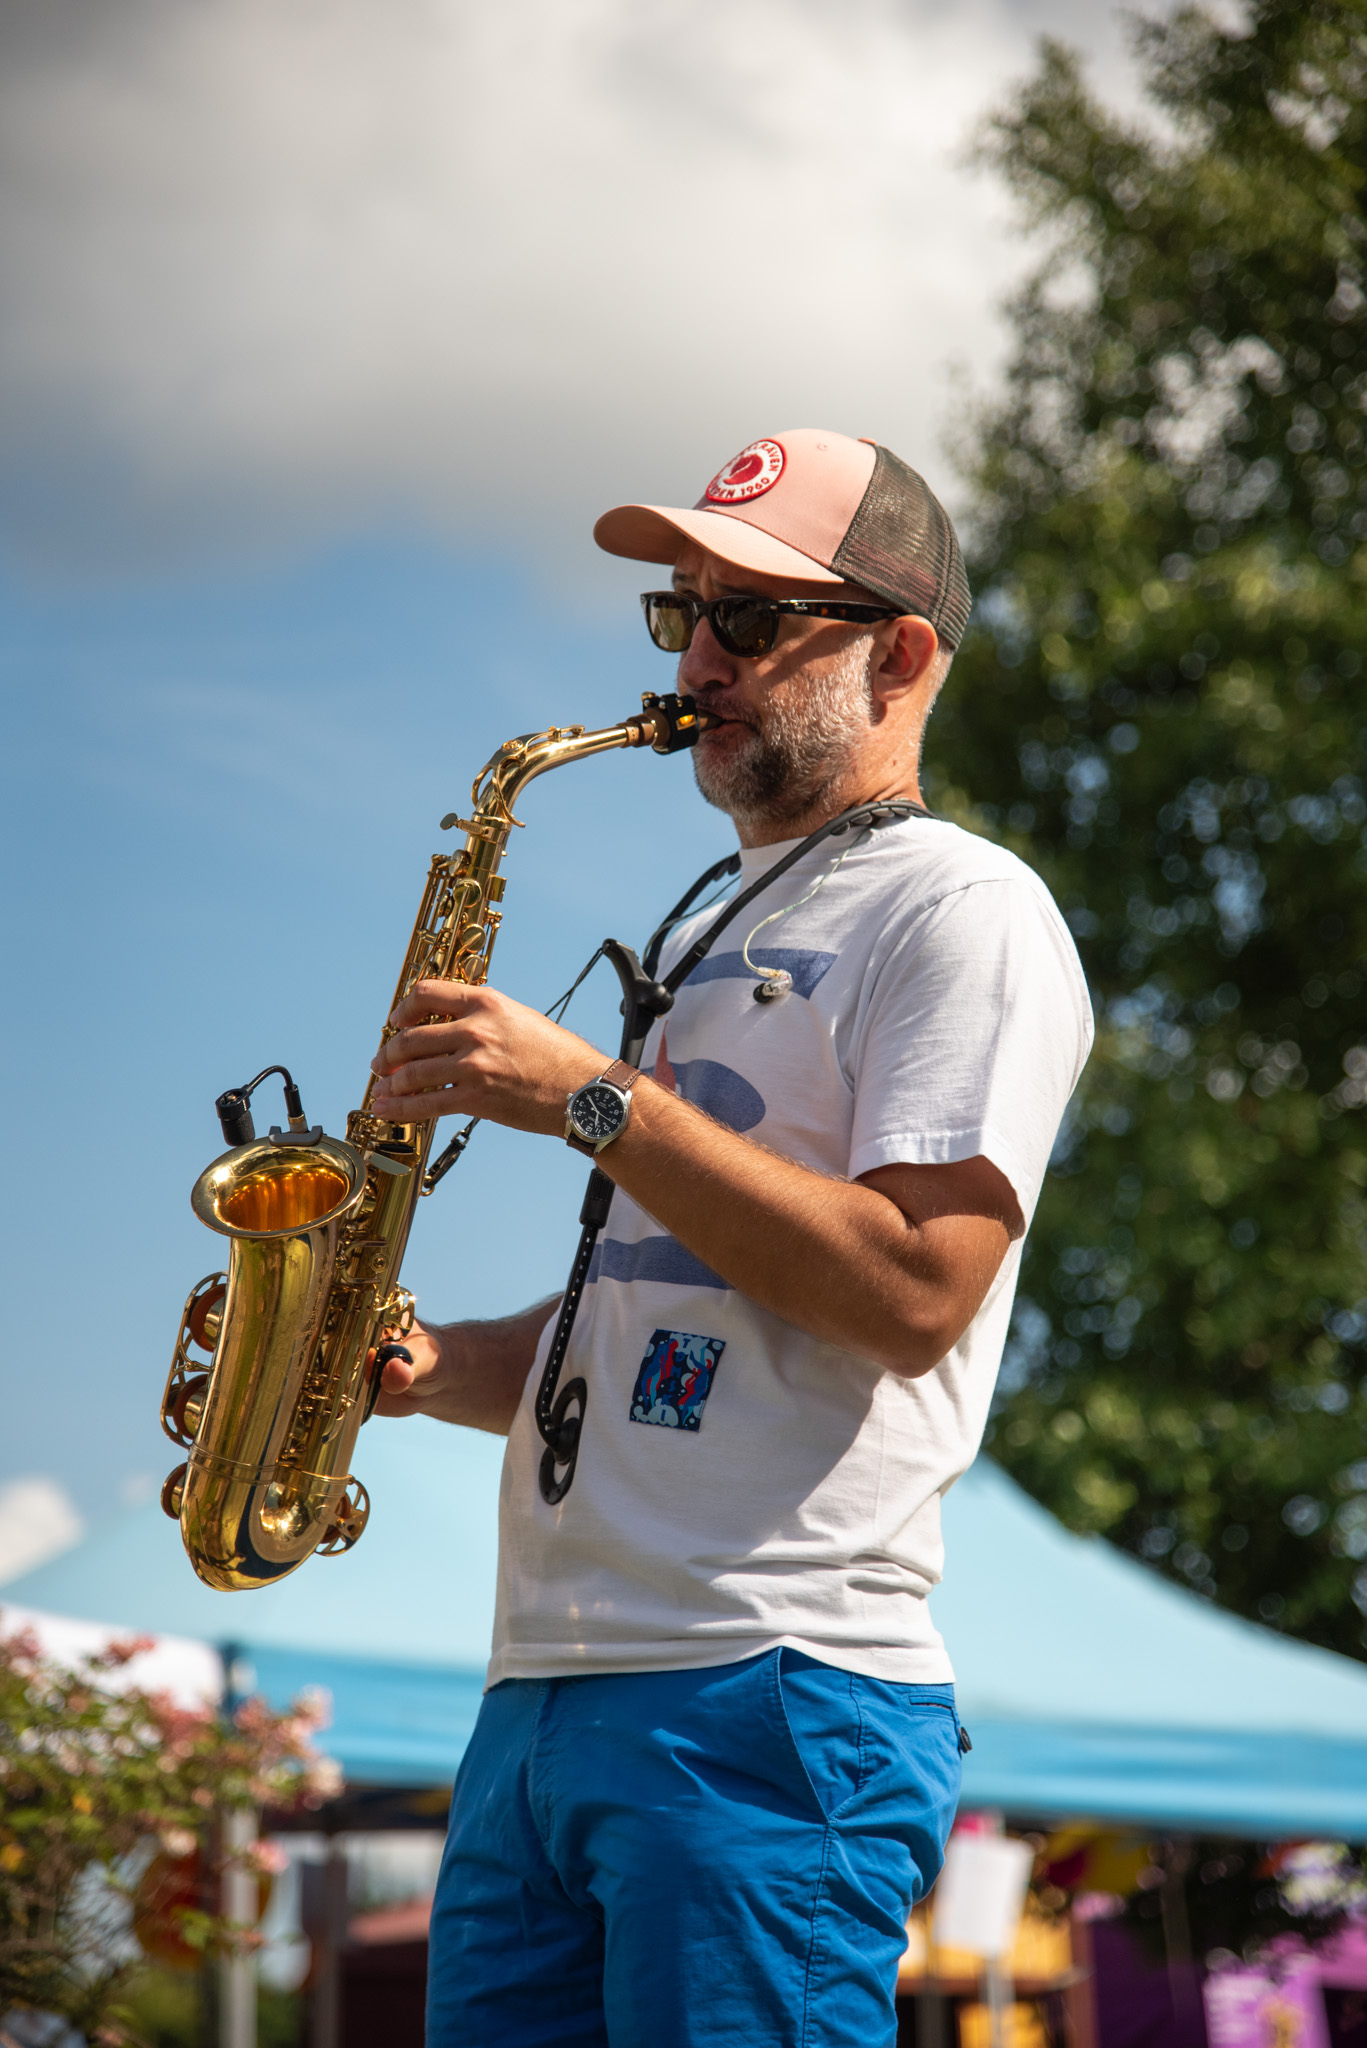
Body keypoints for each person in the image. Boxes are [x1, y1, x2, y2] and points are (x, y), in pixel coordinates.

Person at [369, 428, 1093, 2048]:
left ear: (900, 656)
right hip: (543, 1690)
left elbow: (915, 1289)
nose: (697, 661)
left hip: (770, 1690)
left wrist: (593, 1099)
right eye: (682, 614)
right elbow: (657, 1304)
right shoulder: (709, 920)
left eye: (750, 621)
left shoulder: (967, 912)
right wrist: (418, 1365)